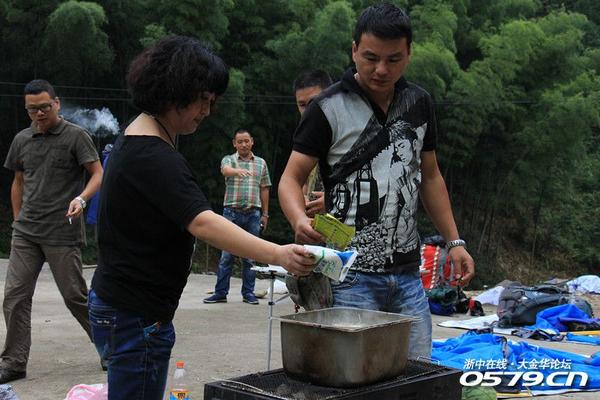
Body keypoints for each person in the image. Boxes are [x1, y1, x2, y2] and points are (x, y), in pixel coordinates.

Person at [89, 35, 314, 400]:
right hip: (135, 314)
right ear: (174, 91)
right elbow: (203, 222)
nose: (207, 111)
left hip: (122, 304)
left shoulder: (135, 136)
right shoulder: (154, 156)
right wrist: (278, 254)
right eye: (203, 100)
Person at [278, 3, 475, 359]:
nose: (381, 69)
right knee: (351, 375)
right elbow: (291, 178)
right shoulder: (327, 107)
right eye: (370, 58)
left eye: (393, 59)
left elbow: (430, 176)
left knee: (416, 374)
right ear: (354, 50)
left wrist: (455, 241)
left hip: (408, 275)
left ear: (409, 54)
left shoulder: (419, 103)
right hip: (348, 275)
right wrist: (298, 220)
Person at [1, 79, 103, 383]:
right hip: (26, 233)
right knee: (15, 297)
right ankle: (13, 362)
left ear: (56, 103)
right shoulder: (22, 139)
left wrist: (82, 199)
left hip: (62, 232)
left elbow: (98, 173)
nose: (39, 113)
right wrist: (18, 220)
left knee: (75, 296)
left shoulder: (76, 136)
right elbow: (18, 182)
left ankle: (111, 349)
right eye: (32, 109)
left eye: (44, 107)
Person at [203, 128, 271, 305]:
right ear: (234, 143)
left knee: (250, 256)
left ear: (252, 141)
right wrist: (237, 171)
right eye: (240, 142)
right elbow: (225, 170)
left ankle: (248, 293)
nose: (243, 144)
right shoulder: (229, 159)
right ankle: (220, 293)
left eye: (246, 141)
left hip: (253, 214)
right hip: (231, 213)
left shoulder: (261, 163)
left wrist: (265, 214)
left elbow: (265, 188)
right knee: (227, 255)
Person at [293, 70, 332, 217]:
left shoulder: (350, 133)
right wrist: (300, 199)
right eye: (302, 105)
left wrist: (333, 200)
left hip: (346, 225)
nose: (308, 111)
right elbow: (299, 180)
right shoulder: (305, 139)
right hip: (313, 223)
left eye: (314, 103)